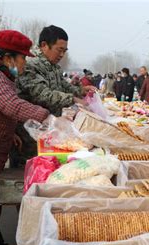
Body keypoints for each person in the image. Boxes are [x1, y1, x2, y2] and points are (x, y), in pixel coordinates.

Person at [0, 30, 50, 245]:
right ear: (8, 57)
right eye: (23, 58)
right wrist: (48, 116)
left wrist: (11, 133)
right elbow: (12, 106)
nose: (24, 63)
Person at [14, 25, 96, 167]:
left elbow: (64, 87)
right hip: (30, 134)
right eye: (59, 50)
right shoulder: (30, 65)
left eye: (64, 51)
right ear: (44, 45)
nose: (62, 55)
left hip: (48, 131)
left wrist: (81, 90)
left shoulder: (53, 67)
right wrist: (72, 99)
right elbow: (42, 94)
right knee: (28, 173)